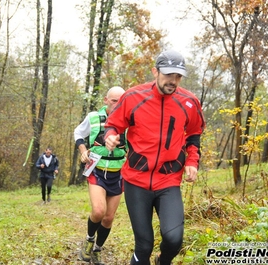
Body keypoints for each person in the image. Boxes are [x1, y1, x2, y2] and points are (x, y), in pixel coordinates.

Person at [104, 50, 205, 265]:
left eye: (178, 76)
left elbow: (194, 134)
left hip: (168, 181)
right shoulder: (133, 97)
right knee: (144, 245)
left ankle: (163, 260)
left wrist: (192, 161)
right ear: (155, 72)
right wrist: (111, 136)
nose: (173, 81)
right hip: (136, 181)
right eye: (168, 75)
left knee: (174, 239)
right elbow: (113, 124)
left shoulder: (189, 102)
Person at [74, 86, 127, 265]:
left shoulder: (130, 120)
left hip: (118, 173)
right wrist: (83, 150)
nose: (118, 104)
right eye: (114, 101)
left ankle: (97, 250)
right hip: (97, 170)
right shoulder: (94, 117)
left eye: (121, 101)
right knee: (98, 210)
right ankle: (89, 240)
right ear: (106, 100)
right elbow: (79, 133)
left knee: (109, 217)